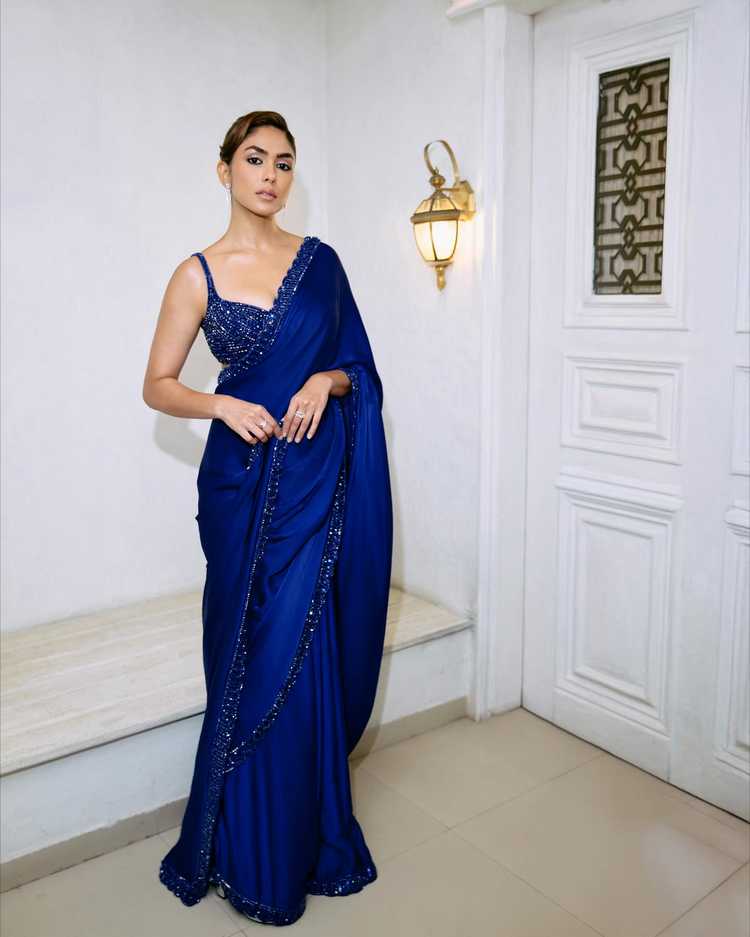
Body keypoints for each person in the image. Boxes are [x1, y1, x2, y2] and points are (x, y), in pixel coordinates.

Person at [142, 110, 393, 926]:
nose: (270, 176)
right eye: (255, 159)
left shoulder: (322, 264)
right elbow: (157, 384)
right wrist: (222, 404)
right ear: (225, 170)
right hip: (239, 484)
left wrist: (327, 381)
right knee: (244, 653)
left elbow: (358, 367)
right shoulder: (196, 275)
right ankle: (237, 840)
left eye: (284, 163)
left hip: (315, 478)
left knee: (301, 647)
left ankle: (297, 837)